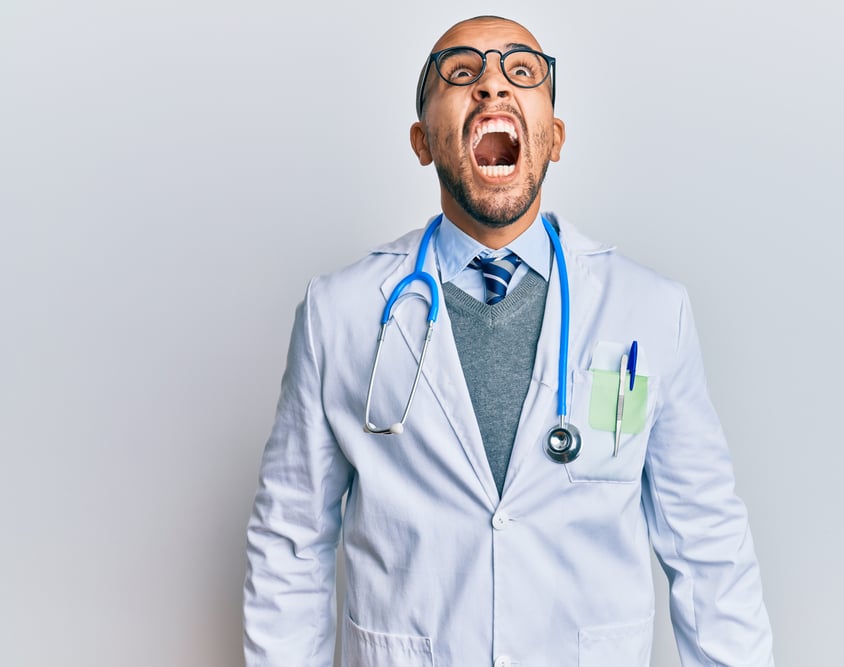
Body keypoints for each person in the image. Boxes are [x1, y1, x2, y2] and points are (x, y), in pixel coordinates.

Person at [244, 15, 774, 667]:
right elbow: (289, 547)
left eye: (521, 72)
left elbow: (709, 545)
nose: (492, 85)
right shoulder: (343, 313)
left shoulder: (649, 310)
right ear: (421, 142)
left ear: (553, 137)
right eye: (461, 73)